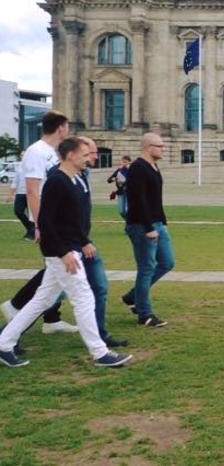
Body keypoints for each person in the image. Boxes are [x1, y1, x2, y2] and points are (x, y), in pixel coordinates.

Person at [0, 137, 131, 369]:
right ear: (70, 155)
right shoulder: (56, 182)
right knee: (83, 297)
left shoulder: (77, 179)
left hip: (71, 247)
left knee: (41, 300)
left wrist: (83, 241)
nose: (89, 157)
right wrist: (64, 253)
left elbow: (74, 219)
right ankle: (100, 353)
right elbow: (47, 222)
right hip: (61, 251)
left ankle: (3, 343)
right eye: (84, 153)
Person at [0, 110, 77, 335]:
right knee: (55, 270)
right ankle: (15, 307)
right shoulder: (36, 152)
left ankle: (51, 318)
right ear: (61, 127)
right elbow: (33, 192)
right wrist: (39, 225)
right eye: (68, 126)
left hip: (60, 221)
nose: (68, 130)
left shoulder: (53, 152)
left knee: (53, 272)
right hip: (49, 222)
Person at [77, 137, 128, 347]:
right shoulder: (59, 178)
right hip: (68, 247)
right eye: (91, 153)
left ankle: (99, 338)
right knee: (46, 297)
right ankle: (7, 335)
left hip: (82, 242)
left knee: (99, 287)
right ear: (75, 153)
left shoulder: (80, 176)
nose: (96, 157)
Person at [121, 132, 175, 328]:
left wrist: (163, 222)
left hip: (158, 223)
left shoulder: (153, 166)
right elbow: (137, 200)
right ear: (147, 147)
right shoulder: (137, 168)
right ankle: (145, 314)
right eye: (159, 146)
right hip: (143, 226)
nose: (163, 149)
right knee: (146, 268)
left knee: (167, 262)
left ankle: (132, 295)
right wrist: (148, 227)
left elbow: (154, 199)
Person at [7, 152, 33, 240]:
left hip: (32, 193)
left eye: (25, 155)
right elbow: (15, 181)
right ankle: (31, 228)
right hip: (20, 193)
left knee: (32, 215)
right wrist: (10, 194)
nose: (23, 157)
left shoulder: (34, 165)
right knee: (18, 211)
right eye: (21, 155)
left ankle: (31, 233)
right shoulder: (19, 167)